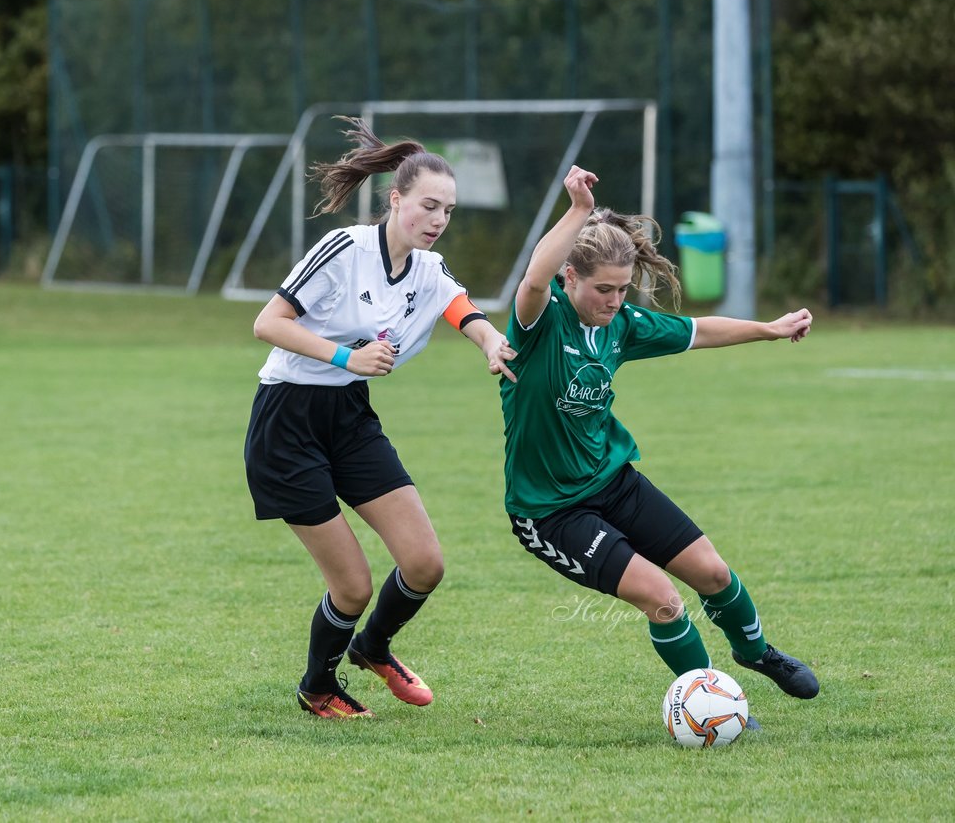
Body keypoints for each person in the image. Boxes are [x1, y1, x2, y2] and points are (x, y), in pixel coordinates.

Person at [499, 164, 820, 701]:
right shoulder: (539, 322)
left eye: (623, 289)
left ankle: (756, 651)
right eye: (604, 288)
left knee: (713, 573)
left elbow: (698, 331)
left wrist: (769, 328)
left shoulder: (620, 325)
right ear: (570, 277)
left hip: (612, 481)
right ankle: (711, 701)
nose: (615, 300)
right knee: (664, 599)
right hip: (550, 510)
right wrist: (577, 210)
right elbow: (532, 280)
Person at [245, 116, 518, 719]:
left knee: (425, 563)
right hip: (286, 424)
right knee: (354, 586)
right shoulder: (345, 249)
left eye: (447, 209)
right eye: (427, 206)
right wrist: (350, 355)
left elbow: (461, 309)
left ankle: (373, 648)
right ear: (395, 200)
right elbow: (268, 323)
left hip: (348, 416)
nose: (438, 219)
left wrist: (492, 343)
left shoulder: (427, 266)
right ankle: (318, 688)